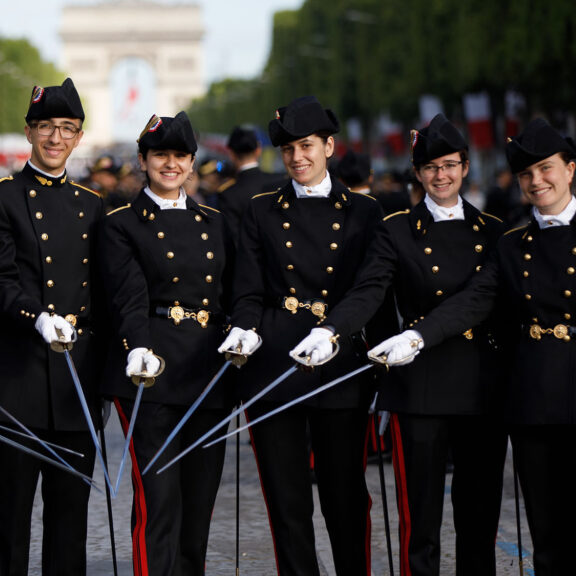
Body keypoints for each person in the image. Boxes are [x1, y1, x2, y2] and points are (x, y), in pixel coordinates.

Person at [368, 118, 576, 575]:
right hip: (531, 397)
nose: (537, 182)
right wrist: (417, 336)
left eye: (546, 169)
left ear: (570, 169)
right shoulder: (512, 244)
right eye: (527, 175)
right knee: (543, 530)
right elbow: (476, 300)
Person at [292, 114, 510, 575]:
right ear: (417, 173)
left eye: (450, 165)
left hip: (480, 385)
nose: (441, 175)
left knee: (479, 519)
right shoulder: (394, 230)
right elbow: (370, 292)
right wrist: (331, 330)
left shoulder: (494, 230)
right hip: (420, 386)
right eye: (430, 167)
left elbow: (489, 303)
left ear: (466, 167)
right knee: (420, 522)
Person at [218, 96, 386, 575]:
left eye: (307, 145)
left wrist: (335, 330)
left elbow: (371, 288)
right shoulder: (260, 210)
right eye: (289, 149)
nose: (298, 158)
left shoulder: (364, 212)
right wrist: (243, 330)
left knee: (346, 497)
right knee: (287, 503)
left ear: (329, 145)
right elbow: (247, 290)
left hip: (339, 366)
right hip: (276, 364)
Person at [0, 77, 104, 576]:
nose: (55, 138)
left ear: (78, 136)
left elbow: (107, 294)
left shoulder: (93, 204)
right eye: (46, 127)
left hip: (75, 384)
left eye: (66, 129)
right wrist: (36, 315)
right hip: (18, 378)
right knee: (10, 522)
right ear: (28, 132)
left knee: (70, 524)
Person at [99, 111, 232, 574]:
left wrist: (243, 328)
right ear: (143, 160)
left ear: (192, 162)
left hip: (208, 372)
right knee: (159, 501)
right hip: (150, 370)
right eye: (160, 155)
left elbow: (235, 292)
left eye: (180, 156)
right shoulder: (122, 224)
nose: (170, 164)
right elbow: (127, 295)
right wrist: (136, 345)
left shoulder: (217, 222)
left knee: (199, 507)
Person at [218, 125, 278, 244]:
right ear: (258, 149)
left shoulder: (228, 194)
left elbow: (233, 240)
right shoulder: (278, 180)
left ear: (231, 154)